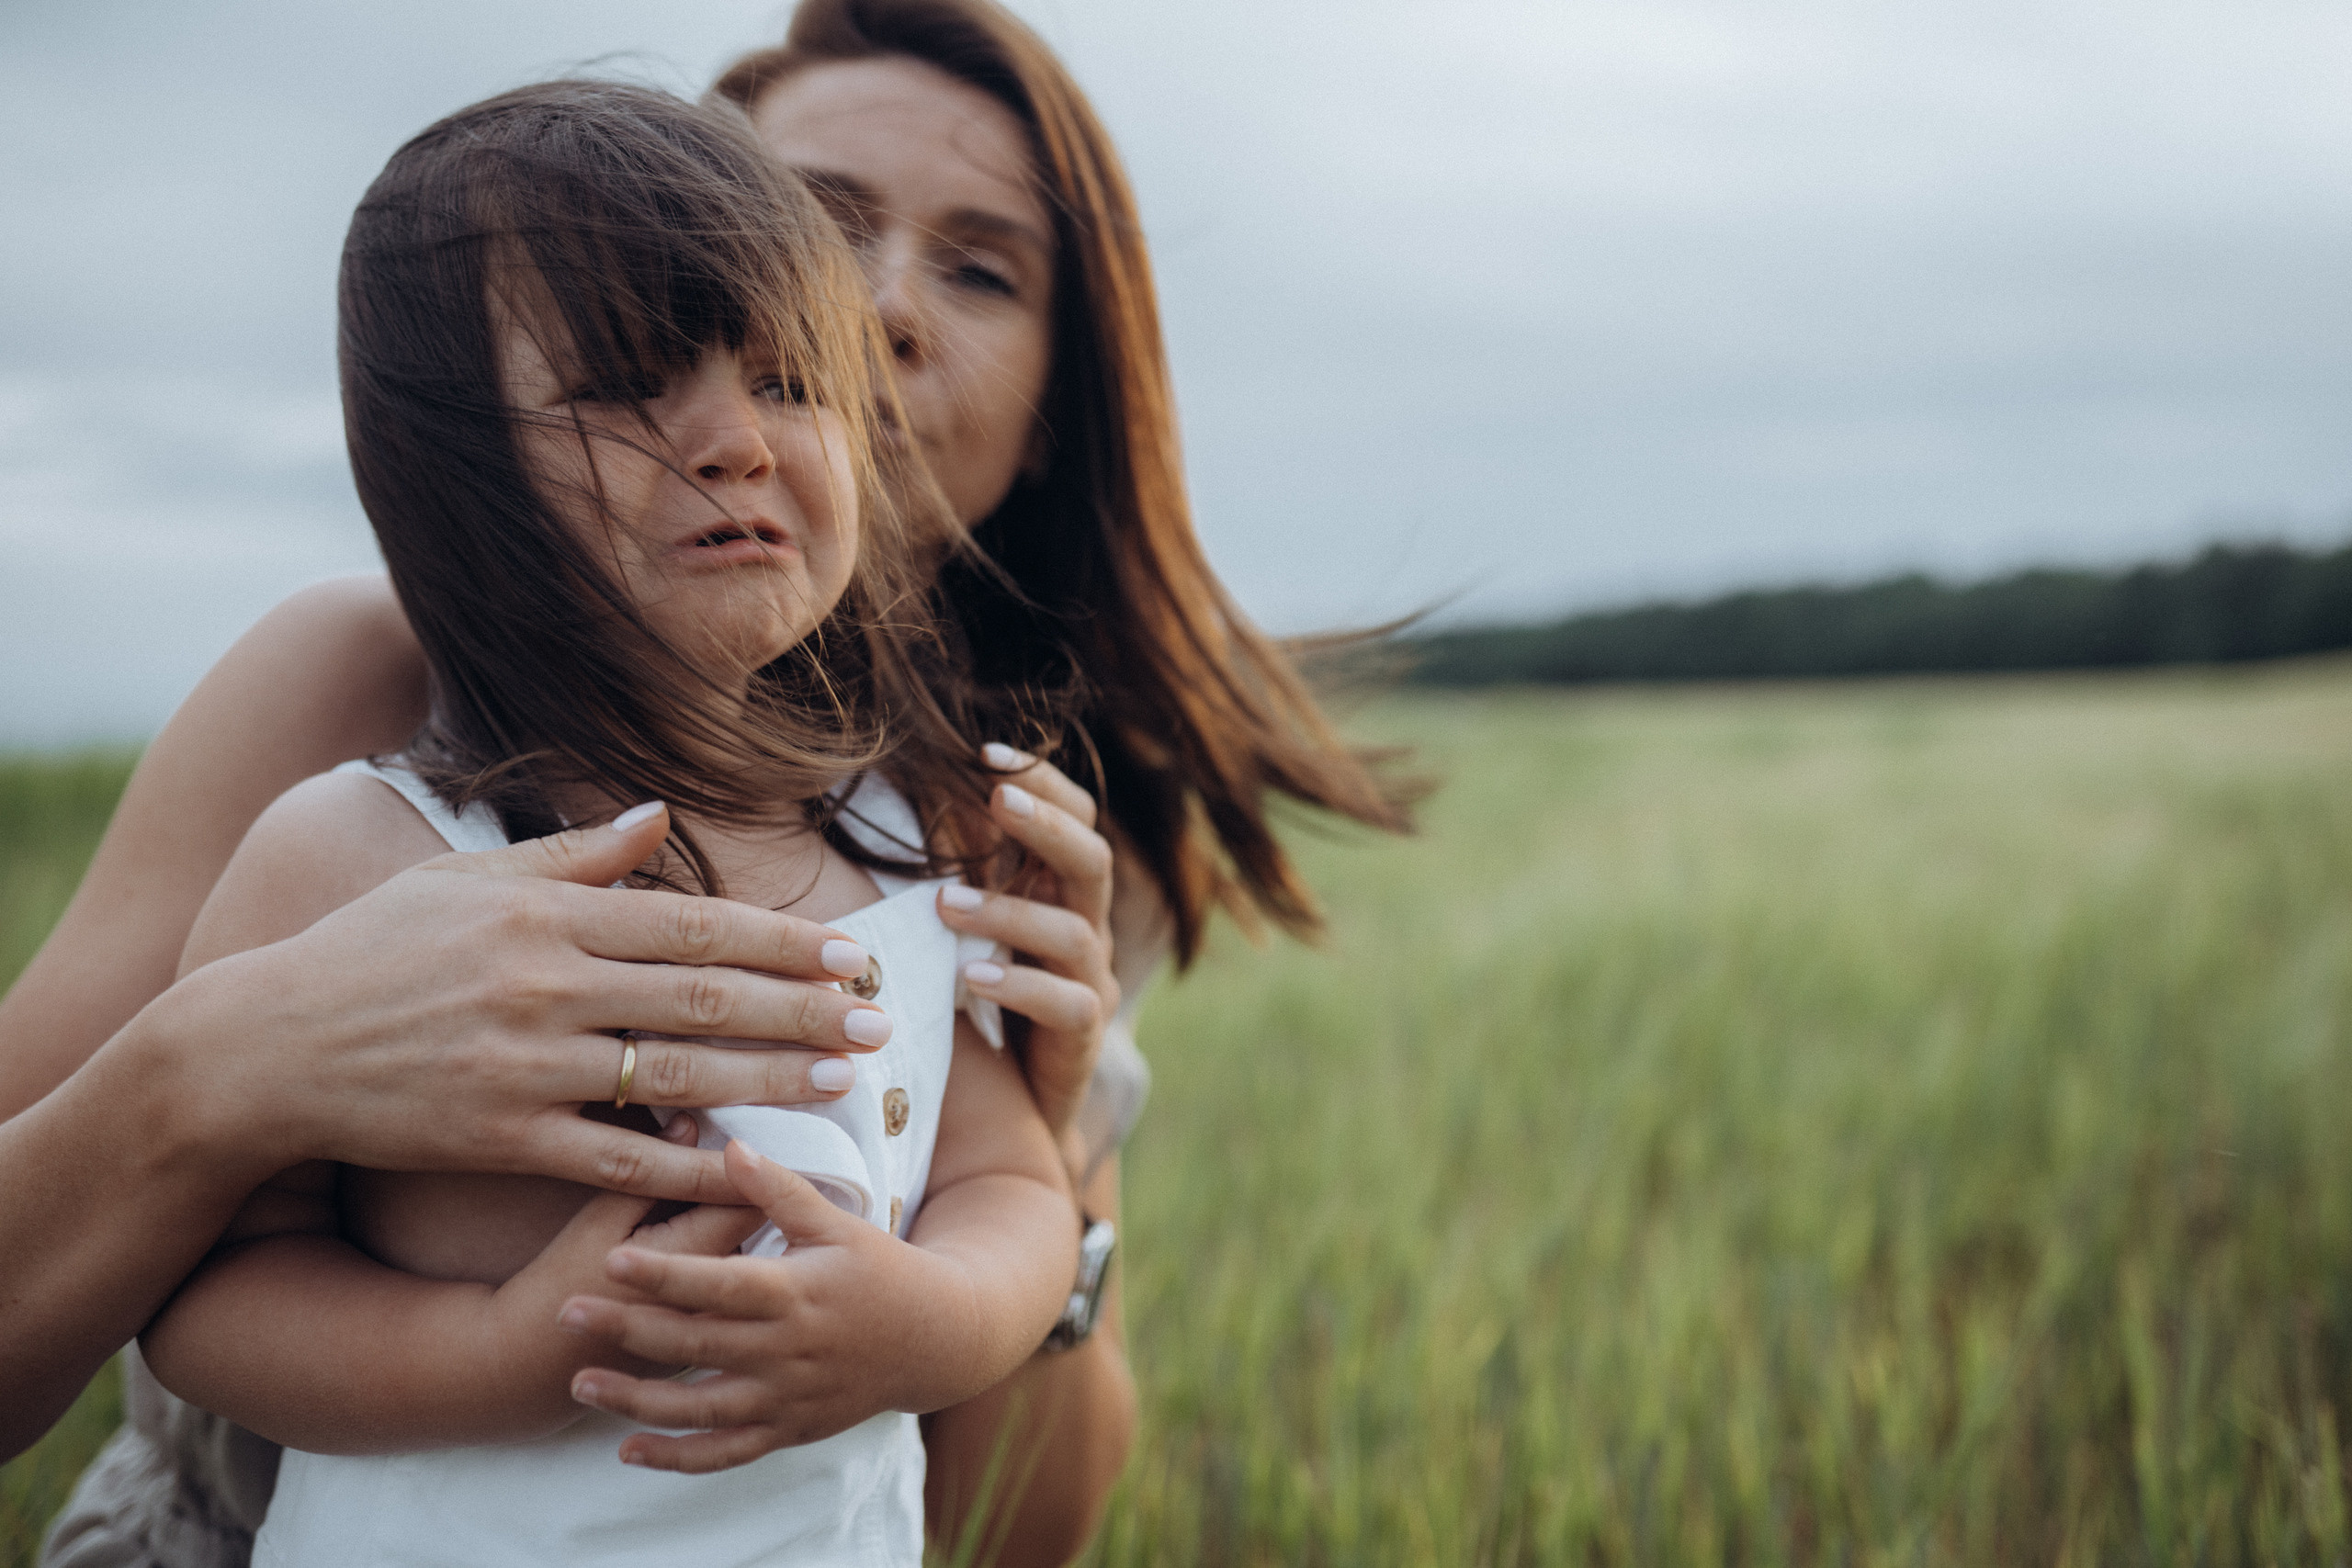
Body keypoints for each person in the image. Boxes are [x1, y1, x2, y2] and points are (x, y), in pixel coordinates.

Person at [12, 1, 1411, 1563]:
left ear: (1055, 407)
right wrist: (233, 1065)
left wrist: (1046, 1166)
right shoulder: (366, 731)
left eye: (979, 264)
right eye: (816, 228)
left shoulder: (983, 830)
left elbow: (1017, 1532)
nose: (875, 309)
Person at [129, 78, 1082, 1566]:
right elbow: (207, 1299)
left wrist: (933, 1319)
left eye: (788, 380)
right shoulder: (354, 854)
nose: (735, 440)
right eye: (629, 384)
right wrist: (500, 1351)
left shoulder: (910, 829)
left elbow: (1011, 1183)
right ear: (452, 468)